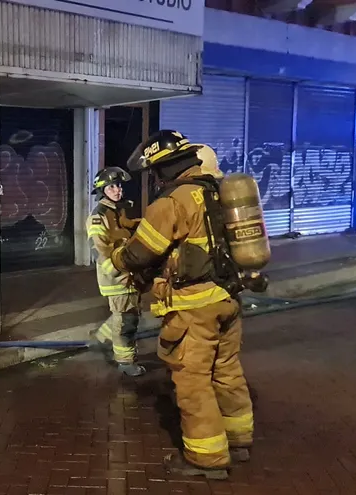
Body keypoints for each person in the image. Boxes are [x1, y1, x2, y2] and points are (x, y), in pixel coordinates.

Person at [111, 131, 254, 480]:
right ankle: (239, 439)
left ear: (162, 170)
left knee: (193, 381)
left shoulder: (173, 202)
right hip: (227, 300)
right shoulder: (218, 192)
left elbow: (138, 254)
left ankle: (207, 458)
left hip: (194, 308)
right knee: (227, 372)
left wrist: (118, 254)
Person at [85, 167, 146, 377]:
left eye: (119, 185)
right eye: (112, 186)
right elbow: (100, 249)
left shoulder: (120, 211)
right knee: (126, 320)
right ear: (103, 191)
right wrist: (120, 274)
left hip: (129, 273)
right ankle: (125, 361)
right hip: (117, 277)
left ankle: (99, 339)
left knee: (127, 312)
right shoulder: (98, 216)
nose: (118, 190)